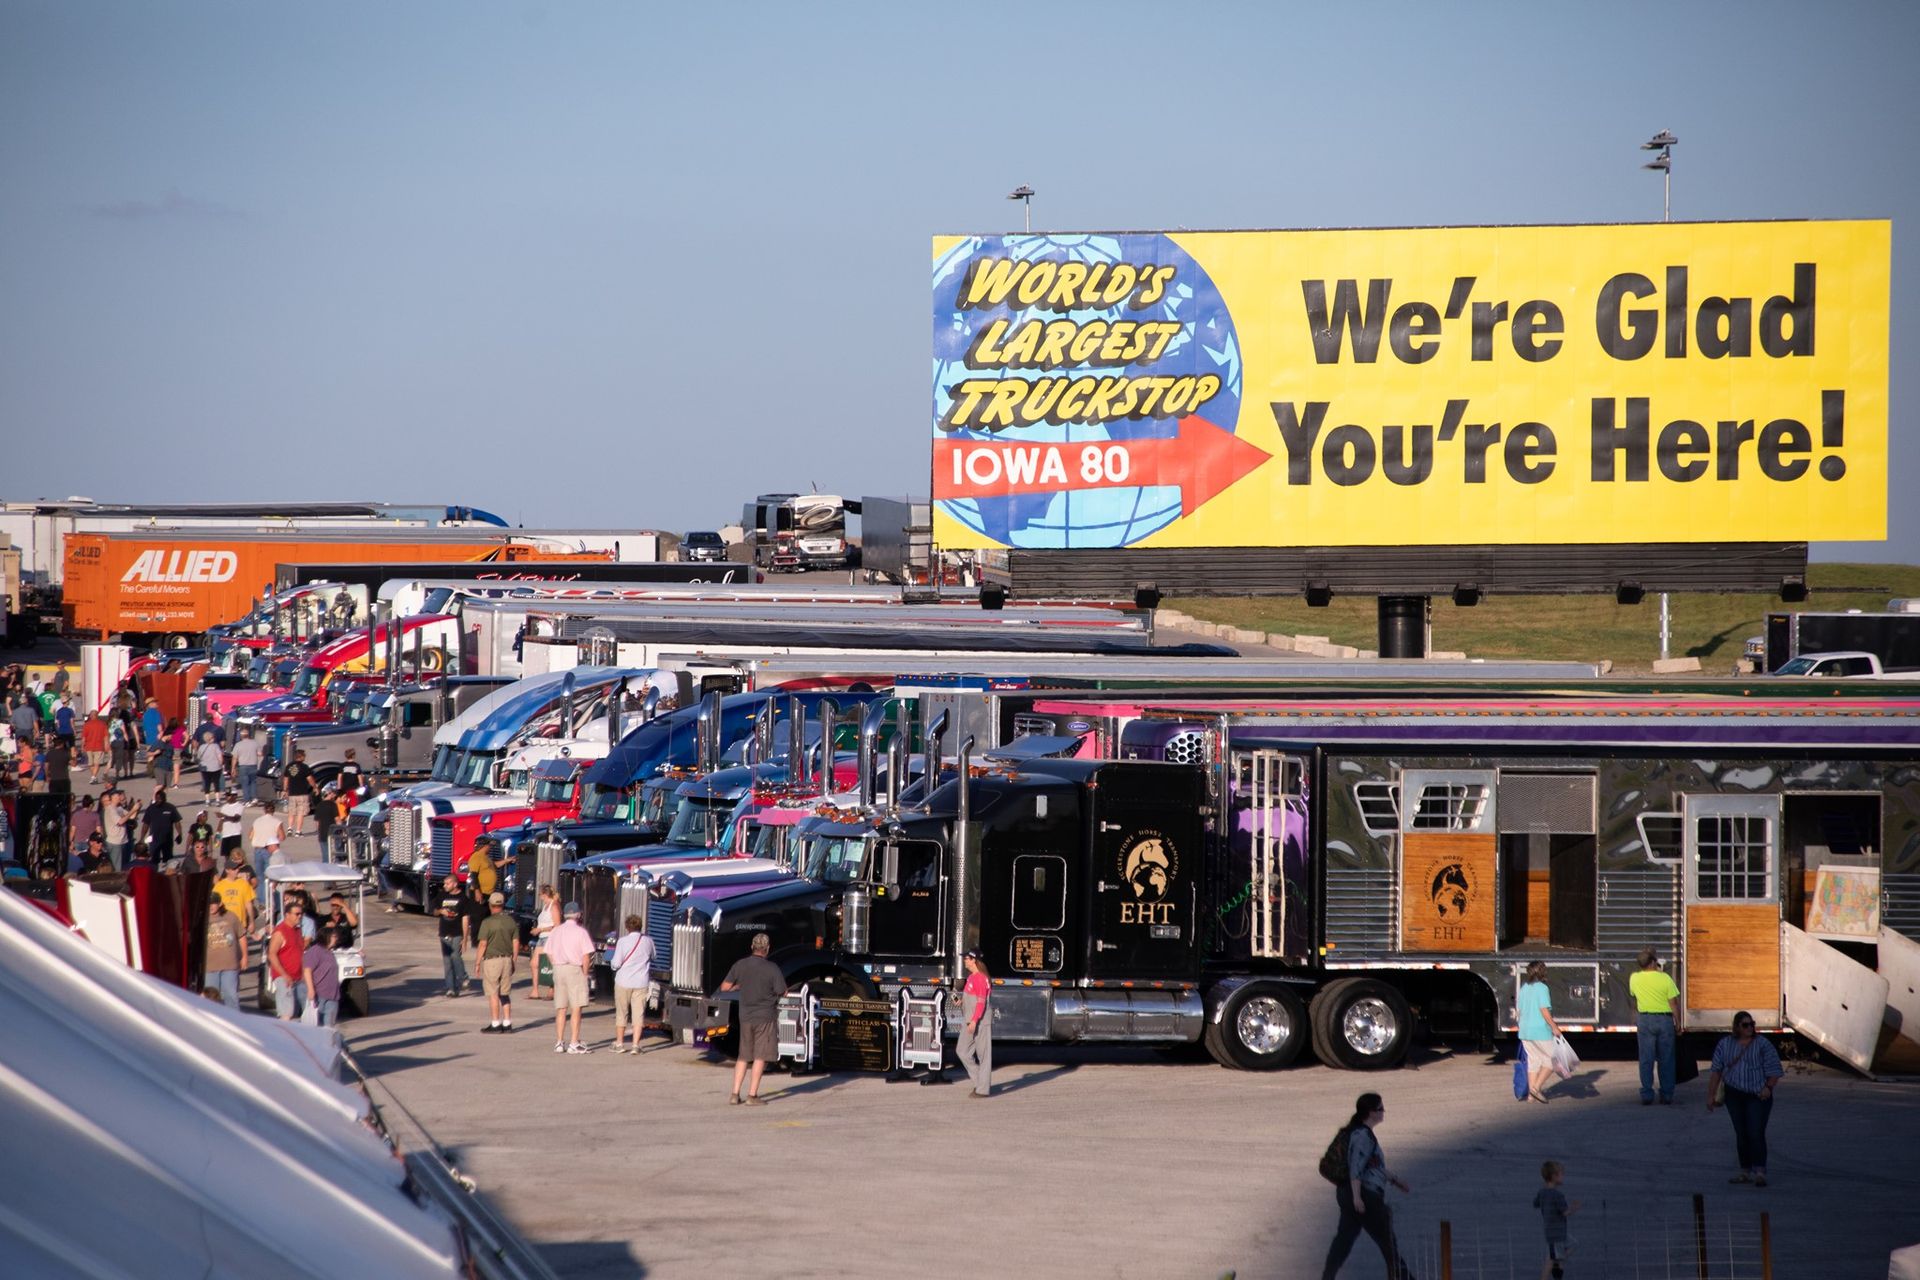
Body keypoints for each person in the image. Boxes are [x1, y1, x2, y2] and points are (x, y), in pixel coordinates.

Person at [1322, 1092, 1416, 1280]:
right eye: (1380, 1108)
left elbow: (1373, 1166)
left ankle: (1327, 1277)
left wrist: (1396, 1181)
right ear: (1371, 1113)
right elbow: (1356, 1167)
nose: (1383, 1111)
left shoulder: (1358, 1133)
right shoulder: (1363, 1136)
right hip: (1365, 1196)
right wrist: (1357, 1197)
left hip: (1350, 1194)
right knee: (1388, 1242)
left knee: (1344, 1241)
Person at [1707, 1011, 1784, 1187]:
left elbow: (1774, 1069)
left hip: (1757, 1095)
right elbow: (1716, 1070)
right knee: (1741, 1134)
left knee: (1755, 1132)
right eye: (1745, 1025)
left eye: (1751, 1024)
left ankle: (1760, 1171)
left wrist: (1769, 1087)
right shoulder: (1725, 1044)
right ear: (1737, 1027)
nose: (1750, 1028)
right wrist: (1710, 1096)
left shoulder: (1762, 1044)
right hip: (1734, 1095)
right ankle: (1745, 1170)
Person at [719, 931, 786, 1105]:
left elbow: (725, 987)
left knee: (743, 1056)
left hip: (745, 1016)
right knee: (759, 1057)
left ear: (752, 947)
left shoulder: (740, 965)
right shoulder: (772, 968)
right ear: (768, 949)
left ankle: (734, 1094)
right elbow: (782, 991)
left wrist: (737, 987)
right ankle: (752, 1095)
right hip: (765, 1017)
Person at [1630, 948, 1684, 1105]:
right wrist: (1678, 1023)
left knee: (1646, 1058)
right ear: (1653, 962)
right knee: (1666, 1058)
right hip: (1664, 1020)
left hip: (1645, 1019)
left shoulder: (1634, 978)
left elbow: (1634, 995)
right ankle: (1666, 1094)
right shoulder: (1665, 978)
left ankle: (1647, 1094)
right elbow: (1673, 1003)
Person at [546, 901, 597, 1054]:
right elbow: (586, 956)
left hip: (559, 968)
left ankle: (559, 1042)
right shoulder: (581, 932)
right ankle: (574, 1042)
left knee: (561, 1007)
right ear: (578, 915)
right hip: (575, 969)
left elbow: (548, 951)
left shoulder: (556, 931)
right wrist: (585, 973)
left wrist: (555, 963)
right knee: (576, 1007)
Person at [476, 891, 520, 1034]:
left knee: (493, 992)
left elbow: (483, 944)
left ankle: (495, 1023)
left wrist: (477, 962)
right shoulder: (510, 921)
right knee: (505, 992)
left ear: (491, 905)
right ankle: (507, 1022)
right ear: (502, 904)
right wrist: (514, 959)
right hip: (507, 959)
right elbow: (516, 941)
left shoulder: (487, 922)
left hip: (492, 960)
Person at [611, 914, 655, 1053]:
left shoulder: (622, 942)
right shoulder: (648, 941)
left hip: (623, 981)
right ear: (640, 926)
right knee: (638, 1014)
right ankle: (635, 1045)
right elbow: (654, 956)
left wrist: (613, 965)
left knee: (622, 1013)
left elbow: (616, 963)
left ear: (627, 927)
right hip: (641, 982)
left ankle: (619, 1043)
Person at [1517, 961, 1561, 1104]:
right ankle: (1535, 1089)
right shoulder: (1542, 988)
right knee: (1552, 1060)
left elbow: (1519, 1011)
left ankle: (1531, 1096)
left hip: (1524, 1030)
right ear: (1541, 972)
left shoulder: (1524, 988)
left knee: (1534, 1062)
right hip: (1540, 1030)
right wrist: (1554, 1026)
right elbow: (1544, 1010)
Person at [1534, 1161, 1579, 1280]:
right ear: (1554, 1176)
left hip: (1553, 1231)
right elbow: (1565, 1212)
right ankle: (1556, 1266)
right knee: (1552, 1261)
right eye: (1561, 1174)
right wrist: (1574, 1207)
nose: (1563, 1176)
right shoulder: (1558, 1195)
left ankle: (1557, 1262)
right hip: (1557, 1233)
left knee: (1571, 1246)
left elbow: (1536, 1204)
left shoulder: (1542, 1192)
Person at [958, 947, 993, 1097]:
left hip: (979, 1021)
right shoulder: (972, 977)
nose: (964, 960)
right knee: (962, 1051)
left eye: (966, 958)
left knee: (983, 1055)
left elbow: (981, 1003)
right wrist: (961, 1002)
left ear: (973, 960)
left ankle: (983, 1090)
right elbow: (971, 999)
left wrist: (974, 1021)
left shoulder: (980, 978)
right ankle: (980, 1082)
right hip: (969, 1021)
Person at [204, 889, 246, 1010]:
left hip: (230, 965)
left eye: (214, 903)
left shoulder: (231, 917)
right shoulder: (201, 918)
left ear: (220, 903)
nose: (211, 906)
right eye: (209, 903)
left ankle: (234, 1022)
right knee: (210, 999)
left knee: (231, 995)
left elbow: (242, 936)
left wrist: (244, 957)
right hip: (209, 966)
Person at [268, 899, 307, 1020]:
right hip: (283, 977)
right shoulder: (280, 931)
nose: (299, 916)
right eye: (297, 914)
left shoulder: (297, 930)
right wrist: (284, 975)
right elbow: (272, 954)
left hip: (298, 977)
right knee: (287, 1013)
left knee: (302, 1011)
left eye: (301, 914)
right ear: (287, 915)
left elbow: (300, 952)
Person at [303, 926, 342, 1026]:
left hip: (333, 995)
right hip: (319, 995)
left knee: (329, 1027)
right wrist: (311, 989)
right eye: (334, 936)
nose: (336, 938)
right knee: (317, 1025)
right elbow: (307, 970)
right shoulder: (315, 951)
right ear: (326, 937)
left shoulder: (330, 952)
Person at [249, 800, 285, 908]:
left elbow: (250, 835)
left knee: (259, 877)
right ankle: (269, 900)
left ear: (264, 810)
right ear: (273, 810)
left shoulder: (257, 821)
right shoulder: (277, 821)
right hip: (268, 850)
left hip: (257, 849)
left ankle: (261, 901)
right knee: (269, 876)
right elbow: (282, 836)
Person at [530, 884, 560, 999]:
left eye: (541, 894)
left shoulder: (554, 906)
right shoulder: (545, 906)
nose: (540, 897)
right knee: (534, 964)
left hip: (550, 937)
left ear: (545, 894)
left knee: (551, 964)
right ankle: (535, 990)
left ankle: (552, 989)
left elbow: (557, 925)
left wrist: (540, 929)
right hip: (542, 937)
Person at [437, 896, 469, 998]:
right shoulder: (442, 895)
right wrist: (441, 911)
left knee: (455, 956)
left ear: (454, 884)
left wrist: (465, 937)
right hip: (444, 933)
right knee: (447, 962)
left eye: (448, 883)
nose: (445, 885)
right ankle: (451, 989)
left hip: (457, 933)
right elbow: (433, 911)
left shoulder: (463, 899)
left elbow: (465, 919)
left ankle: (463, 977)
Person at [141, 787, 181, 865]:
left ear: (164, 799)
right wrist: (142, 838)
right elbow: (146, 824)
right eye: (156, 798)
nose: (158, 800)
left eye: (160, 799)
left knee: (168, 860)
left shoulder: (170, 808)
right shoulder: (150, 809)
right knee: (154, 860)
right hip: (154, 840)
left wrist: (180, 834)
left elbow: (177, 822)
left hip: (167, 839)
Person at [283, 749, 313, 836]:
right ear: (301, 757)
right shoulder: (304, 767)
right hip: (302, 793)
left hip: (292, 793)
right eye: (304, 756)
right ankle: (298, 831)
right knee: (300, 812)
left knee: (291, 812)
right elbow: (309, 779)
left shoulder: (289, 766)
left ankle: (289, 828)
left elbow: (286, 779)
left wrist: (285, 790)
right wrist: (315, 787)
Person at [231, 732, 261, 805]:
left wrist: (233, 768)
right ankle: (254, 798)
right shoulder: (255, 743)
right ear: (249, 735)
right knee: (253, 782)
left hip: (243, 766)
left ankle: (247, 800)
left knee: (245, 783)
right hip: (253, 765)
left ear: (241, 736)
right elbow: (260, 753)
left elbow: (235, 757)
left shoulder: (238, 745)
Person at [81, 712, 108, 784]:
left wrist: (82, 746)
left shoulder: (86, 725)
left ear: (90, 716)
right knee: (97, 763)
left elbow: (83, 737)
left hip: (89, 746)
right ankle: (93, 777)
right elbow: (105, 736)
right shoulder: (102, 724)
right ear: (97, 716)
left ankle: (93, 777)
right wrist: (106, 745)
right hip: (99, 746)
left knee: (91, 764)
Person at [217, 789, 245, 859]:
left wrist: (223, 816)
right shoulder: (224, 807)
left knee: (235, 856)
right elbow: (222, 821)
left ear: (235, 796)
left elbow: (236, 819)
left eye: (228, 795)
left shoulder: (239, 806)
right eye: (226, 796)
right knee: (226, 856)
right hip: (225, 834)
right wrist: (218, 833)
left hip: (235, 834)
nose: (226, 797)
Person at [313, 782, 338, 856]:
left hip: (322, 834)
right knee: (333, 855)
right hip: (332, 832)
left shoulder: (319, 805)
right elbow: (337, 819)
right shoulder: (333, 805)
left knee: (325, 855)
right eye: (334, 794)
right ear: (330, 794)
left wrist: (318, 832)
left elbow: (317, 822)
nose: (335, 796)